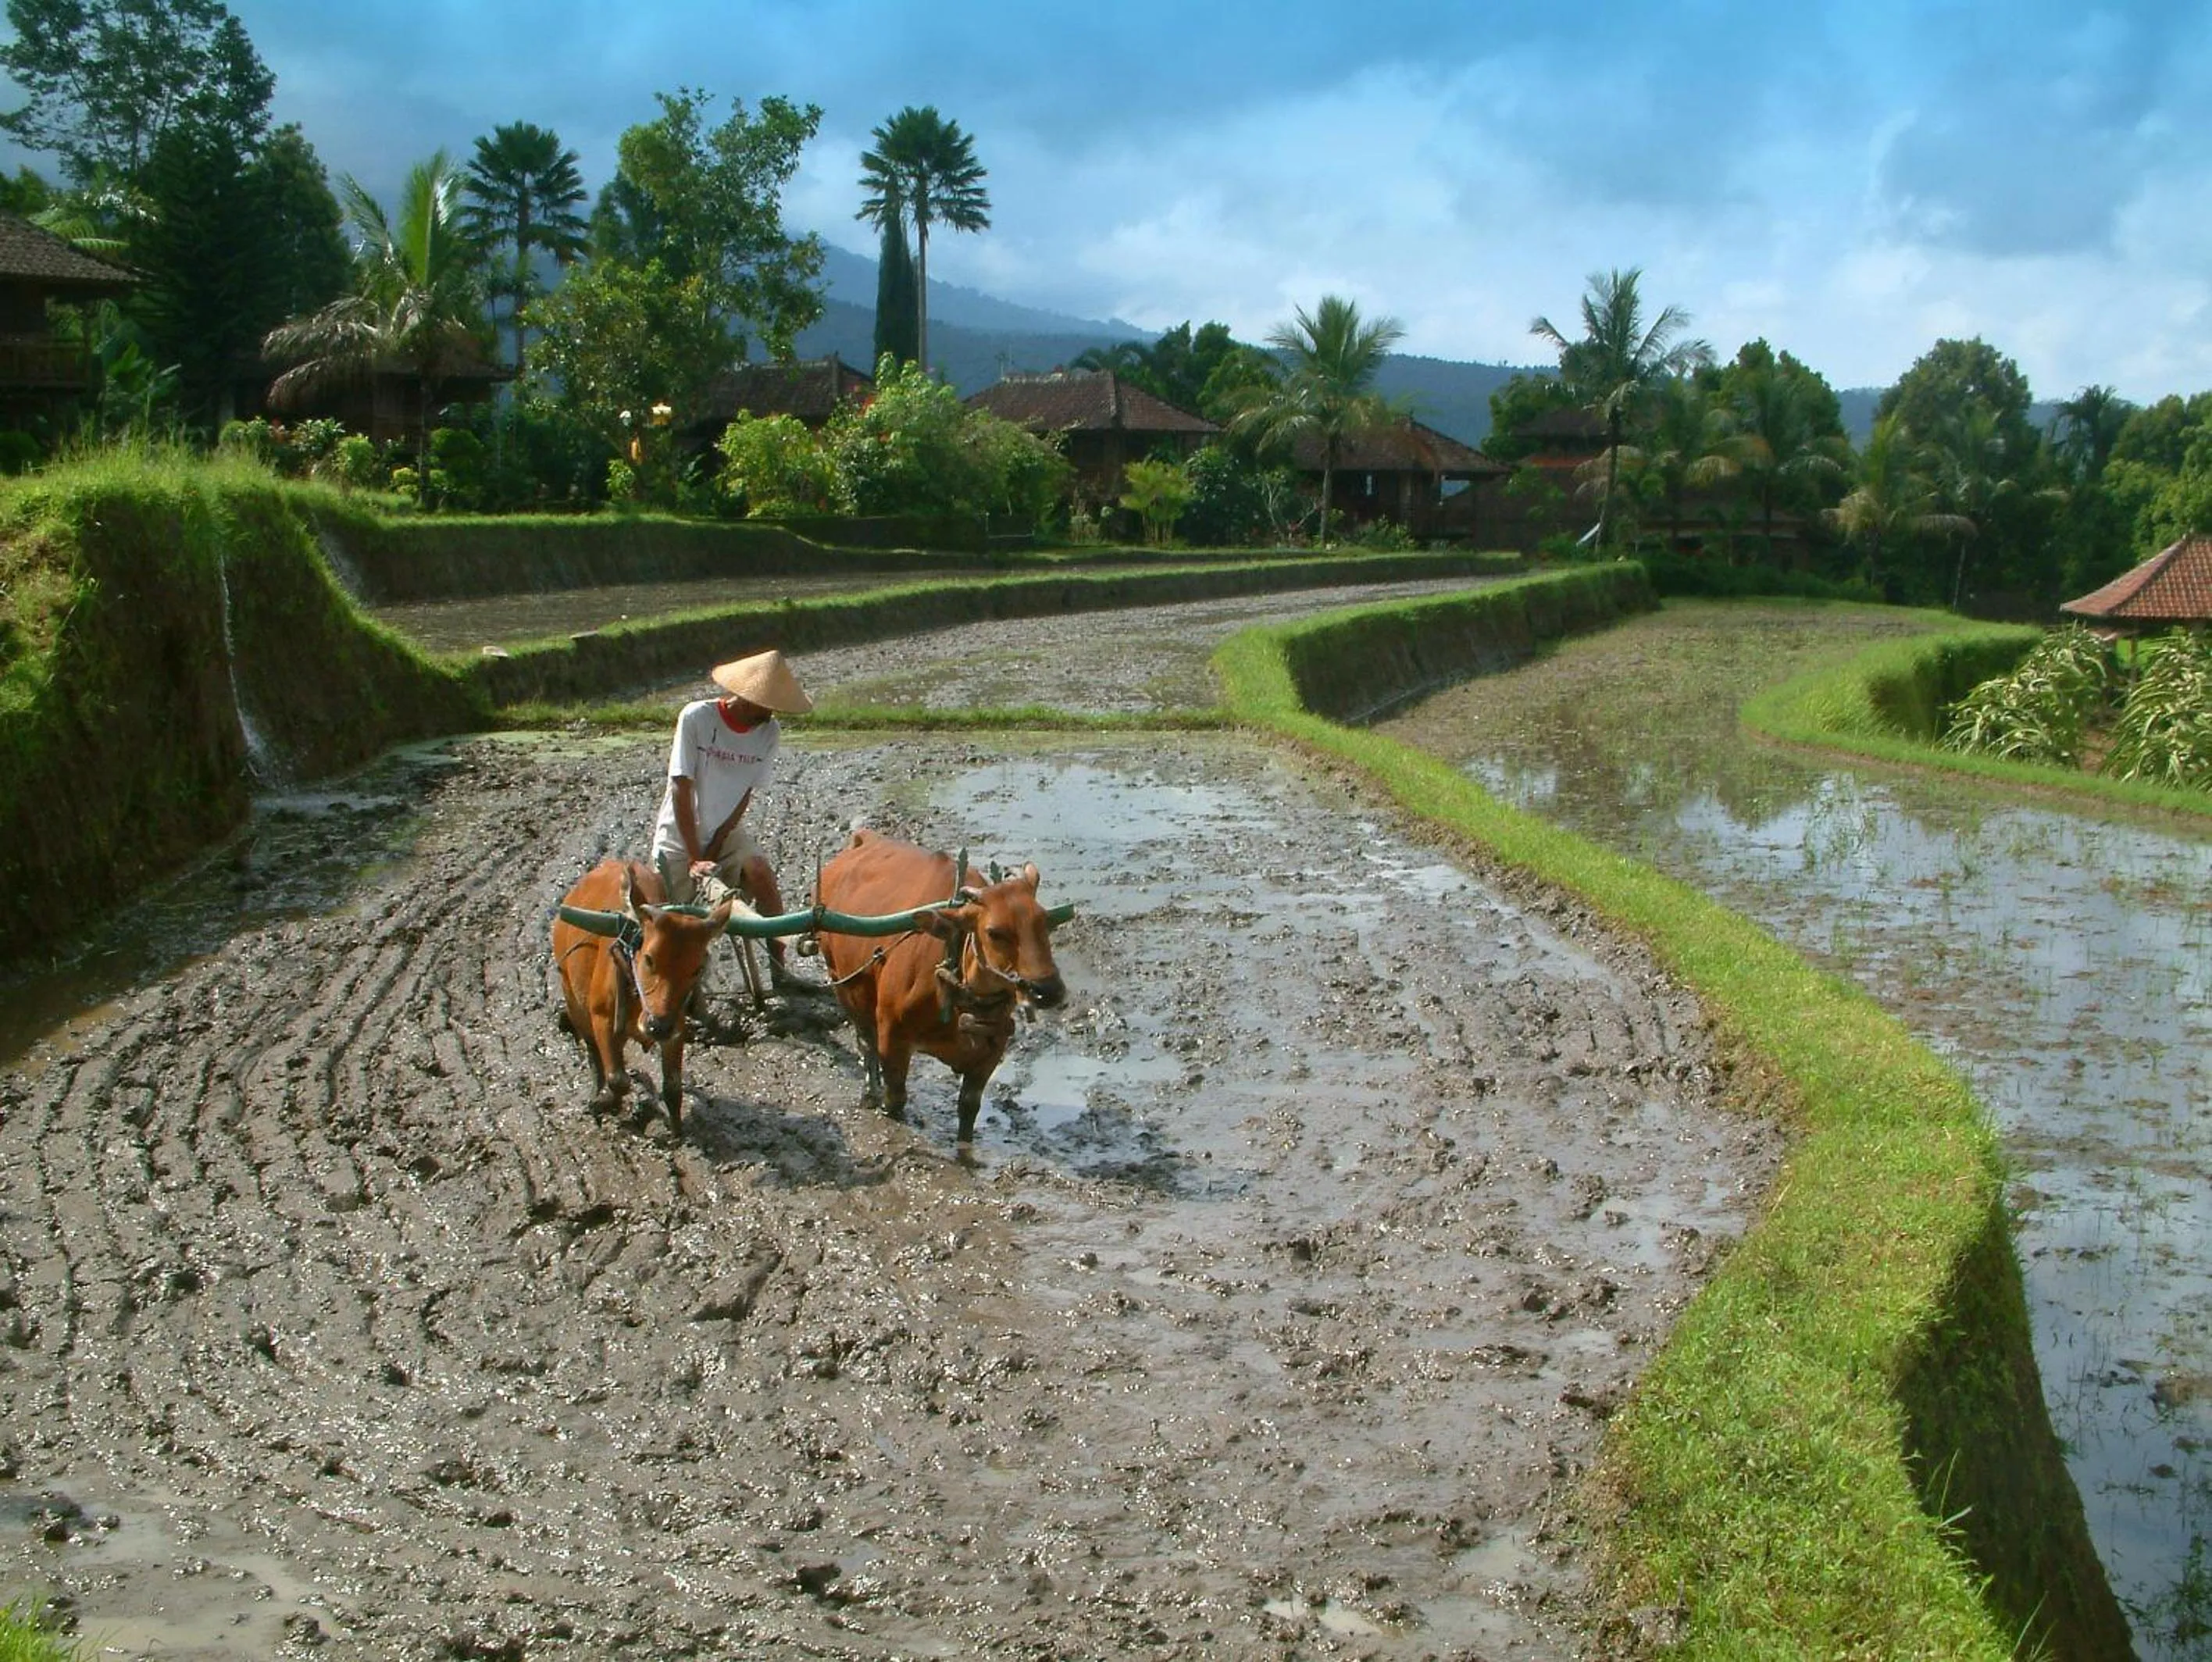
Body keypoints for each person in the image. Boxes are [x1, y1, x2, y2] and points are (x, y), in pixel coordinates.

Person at [649, 647, 812, 981]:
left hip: (725, 832)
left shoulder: (769, 732)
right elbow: (682, 786)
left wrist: (719, 841)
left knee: (761, 872)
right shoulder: (696, 718)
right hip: (681, 835)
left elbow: (745, 792)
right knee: (682, 923)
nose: (772, 711)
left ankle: (780, 968)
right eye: (767, 703)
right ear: (747, 696)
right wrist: (696, 858)